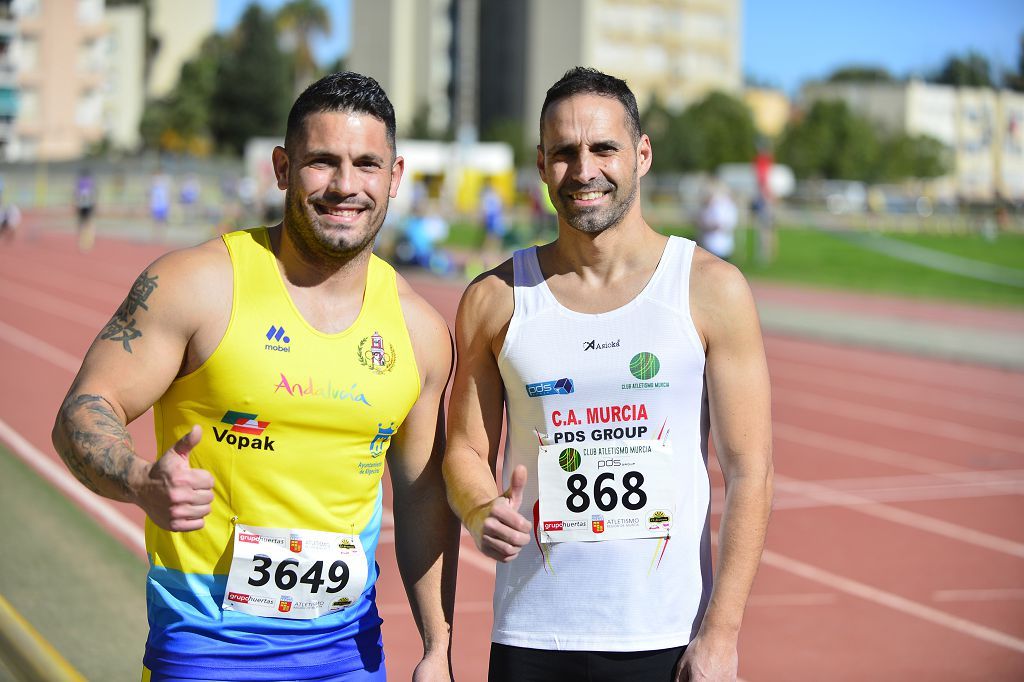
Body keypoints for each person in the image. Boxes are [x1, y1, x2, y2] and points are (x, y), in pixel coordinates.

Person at [52, 72, 460, 682]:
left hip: (348, 656)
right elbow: (84, 410)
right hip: (204, 650)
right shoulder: (197, 285)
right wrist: (138, 479)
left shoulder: (420, 332)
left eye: (367, 165)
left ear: (395, 176)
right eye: (322, 162)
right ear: (282, 168)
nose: (346, 186)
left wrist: (436, 647)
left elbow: (423, 492)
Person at [442, 67, 773, 681]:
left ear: (641, 155)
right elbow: (463, 448)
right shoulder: (495, 298)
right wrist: (478, 507)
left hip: (669, 635)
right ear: (541, 165)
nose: (584, 169)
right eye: (564, 153)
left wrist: (721, 634)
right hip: (532, 634)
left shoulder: (710, 289)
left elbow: (750, 470)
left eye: (604, 148)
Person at [696, 181, 738, 262]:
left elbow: (724, 223)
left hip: (721, 245)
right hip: (711, 244)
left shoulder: (725, 205)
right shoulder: (712, 205)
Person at [74, 167, 98, 252]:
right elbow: (94, 193)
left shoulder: (79, 182)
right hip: (88, 205)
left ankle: (82, 239)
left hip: (81, 205)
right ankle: (88, 239)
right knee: (89, 223)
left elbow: (76, 193)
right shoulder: (90, 182)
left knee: (81, 223)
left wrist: (76, 204)